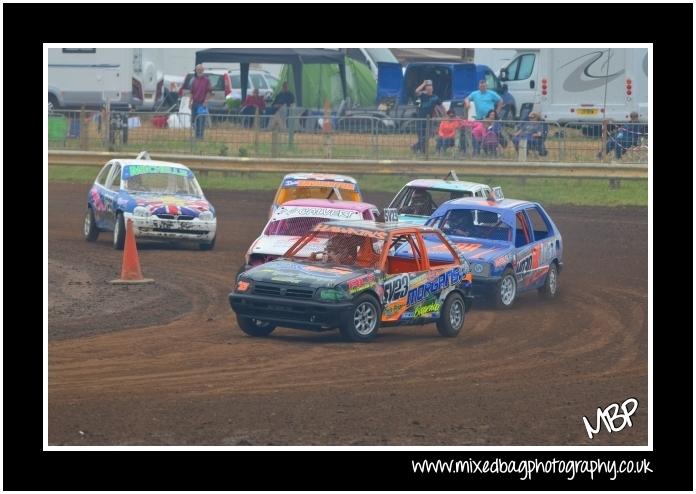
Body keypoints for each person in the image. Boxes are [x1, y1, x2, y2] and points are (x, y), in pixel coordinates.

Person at [411, 79, 442, 153]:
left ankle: (415, 147)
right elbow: (416, 91)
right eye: (427, 87)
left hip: (429, 120)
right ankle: (422, 151)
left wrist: (443, 115)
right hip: (420, 119)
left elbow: (441, 106)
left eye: (430, 87)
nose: (429, 88)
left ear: (432, 88)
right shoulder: (422, 95)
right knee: (421, 136)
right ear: (425, 89)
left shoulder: (435, 98)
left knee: (427, 137)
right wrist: (423, 84)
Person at [188, 64, 213, 139]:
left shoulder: (207, 80)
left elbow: (209, 91)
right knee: (194, 121)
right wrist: (189, 102)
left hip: (202, 104)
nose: (199, 71)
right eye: (197, 69)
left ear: (203, 70)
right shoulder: (193, 80)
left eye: (200, 69)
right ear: (196, 70)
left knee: (201, 120)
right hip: (194, 103)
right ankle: (196, 135)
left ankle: (200, 136)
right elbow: (191, 92)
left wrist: (206, 101)